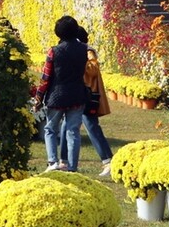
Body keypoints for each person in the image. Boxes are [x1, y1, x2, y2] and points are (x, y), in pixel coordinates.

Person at [34, 16, 88, 172]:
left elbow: (46, 77)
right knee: (73, 131)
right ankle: (72, 166)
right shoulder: (84, 49)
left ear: (58, 33)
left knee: (50, 129)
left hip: (57, 96)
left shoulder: (54, 51)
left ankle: (52, 162)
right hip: (77, 95)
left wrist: (38, 98)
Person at [59, 26, 114, 176]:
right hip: (77, 93)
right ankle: (63, 161)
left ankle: (108, 161)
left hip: (86, 95)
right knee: (66, 126)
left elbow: (93, 69)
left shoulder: (87, 51)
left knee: (90, 126)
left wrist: (78, 65)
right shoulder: (76, 50)